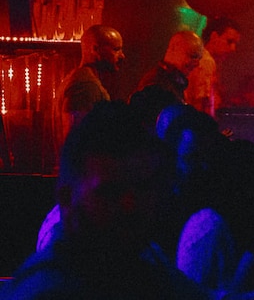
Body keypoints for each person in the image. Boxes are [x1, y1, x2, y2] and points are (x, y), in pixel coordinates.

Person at [3, 102, 210, 300]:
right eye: (110, 192)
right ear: (67, 200)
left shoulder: (140, 271)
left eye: (142, 188)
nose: (130, 204)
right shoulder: (48, 291)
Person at [58, 24, 125, 138]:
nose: (122, 56)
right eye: (116, 49)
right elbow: (75, 139)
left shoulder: (80, 80)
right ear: (95, 49)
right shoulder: (85, 86)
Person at [185, 17, 241, 118]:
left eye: (235, 44)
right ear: (214, 36)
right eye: (229, 41)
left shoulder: (203, 59)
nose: (233, 48)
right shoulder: (206, 62)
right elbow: (202, 104)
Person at [135, 30, 204, 107]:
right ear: (174, 49)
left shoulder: (173, 84)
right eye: (193, 56)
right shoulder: (156, 84)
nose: (197, 64)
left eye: (199, 59)